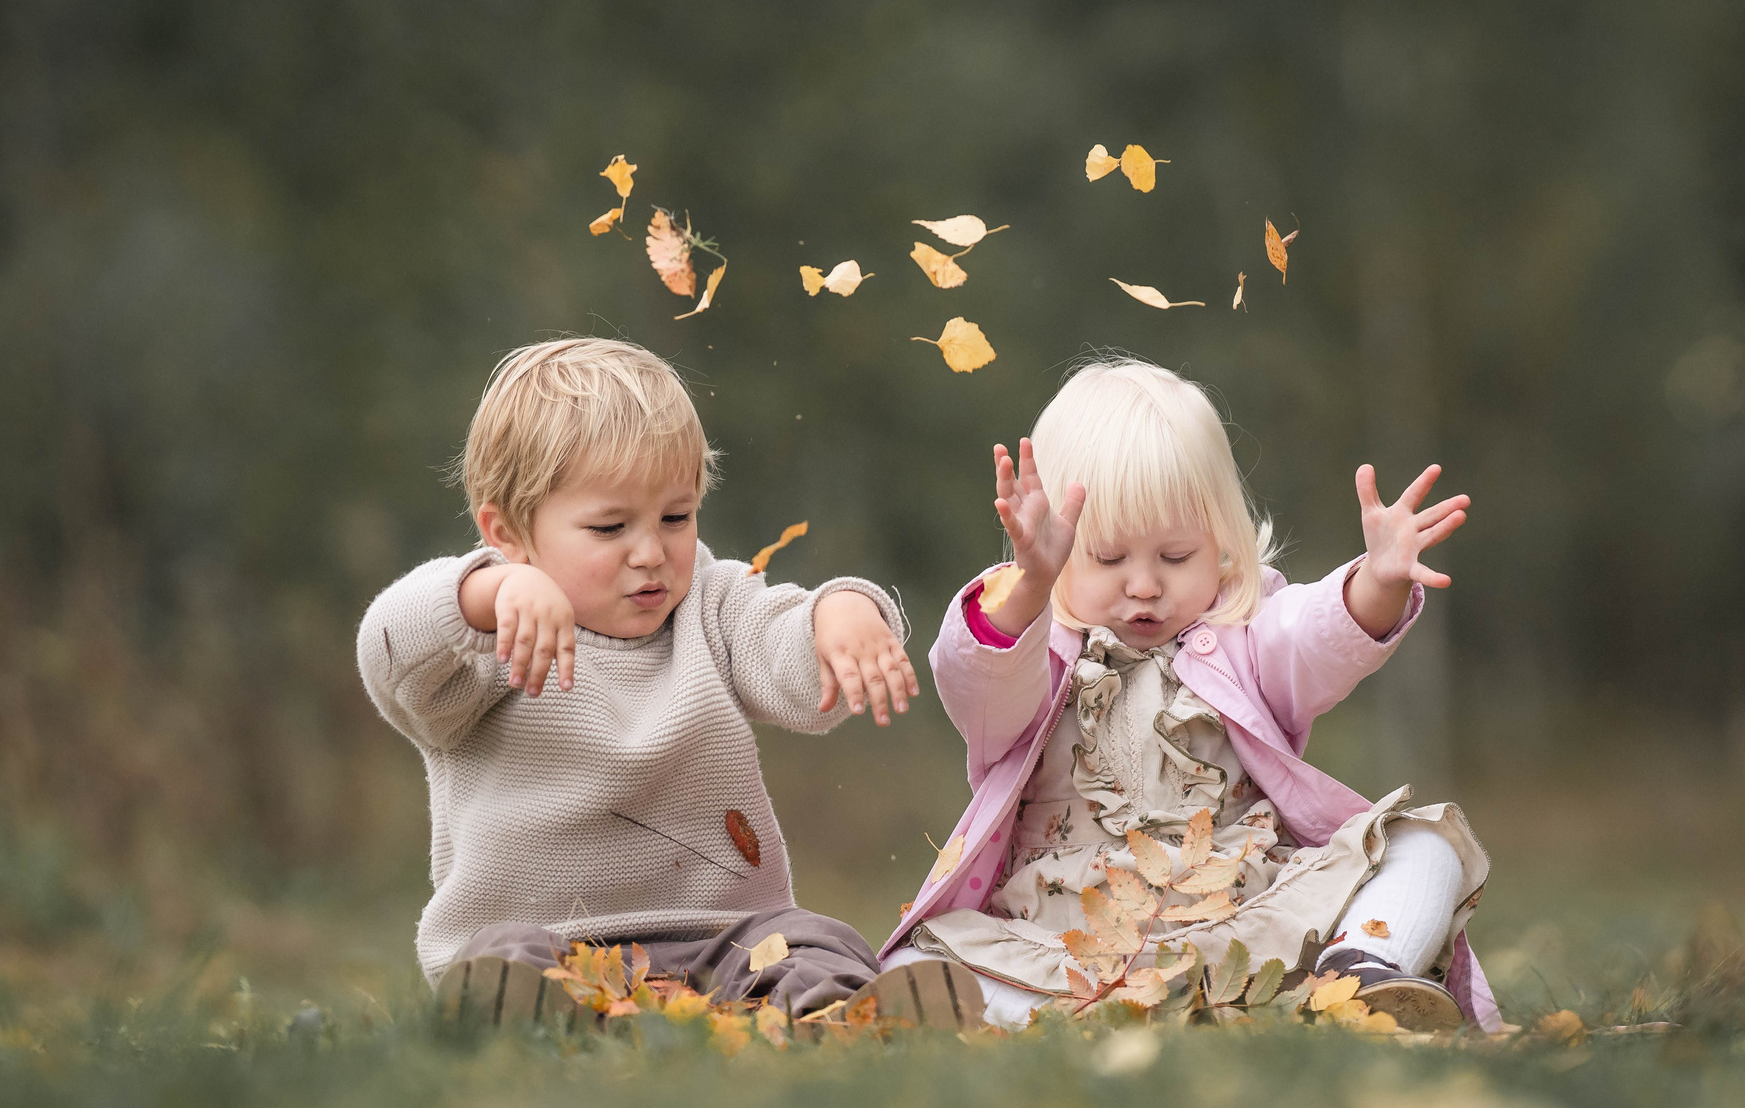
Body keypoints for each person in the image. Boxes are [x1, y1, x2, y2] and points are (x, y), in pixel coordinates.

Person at [359, 336, 983, 1030]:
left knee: (817, 939)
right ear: (507, 531)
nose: (651, 551)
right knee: (507, 957)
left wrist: (843, 614)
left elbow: (786, 648)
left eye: (675, 517)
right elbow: (390, 652)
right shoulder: (487, 634)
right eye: (609, 526)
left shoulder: (710, 608)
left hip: (723, 941)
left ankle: (840, 1021)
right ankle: (530, 1014)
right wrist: (487, 592)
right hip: (553, 942)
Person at [880, 357, 1499, 1032]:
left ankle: (1357, 973)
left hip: (1241, 917)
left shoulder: (1245, 634)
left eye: (1175, 557)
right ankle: (1073, 1016)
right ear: (1053, 556)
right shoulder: (1038, 652)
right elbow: (973, 685)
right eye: (1109, 558)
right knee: (919, 960)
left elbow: (1315, 639)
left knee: (1425, 843)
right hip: (1066, 935)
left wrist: (1377, 582)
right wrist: (1026, 592)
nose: (1143, 584)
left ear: (1223, 547)